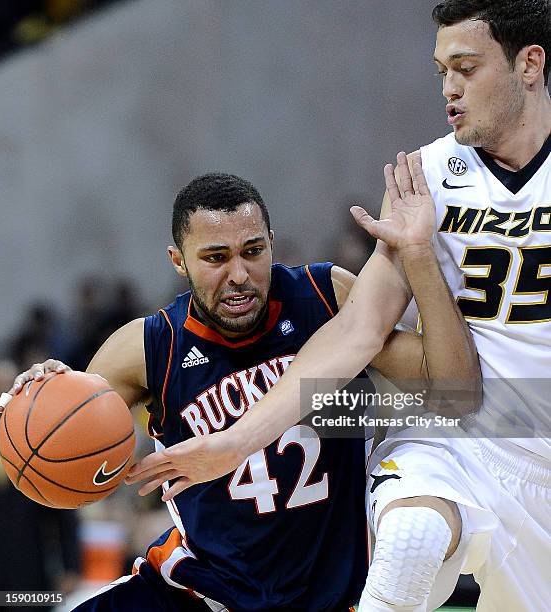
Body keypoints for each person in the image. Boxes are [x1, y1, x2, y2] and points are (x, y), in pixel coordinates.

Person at [124, 1, 551, 611]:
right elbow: (357, 329)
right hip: (462, 441)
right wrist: (234, 443)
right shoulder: (429, 173)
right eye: (441, 73)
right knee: (408, 541)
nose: (449, 91)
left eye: (466, 69)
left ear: (528, 64)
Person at [0, 168, 478, 610]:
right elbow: (70, 448)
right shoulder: (145, 347)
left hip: (331, 591)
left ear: (271, 243)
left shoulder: (324, 296)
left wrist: (420, 260)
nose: (239, 274)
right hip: (203, 591)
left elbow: (452, 389)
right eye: (215, 258)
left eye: (253, 251)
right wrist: (39, 407)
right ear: (178, 261)